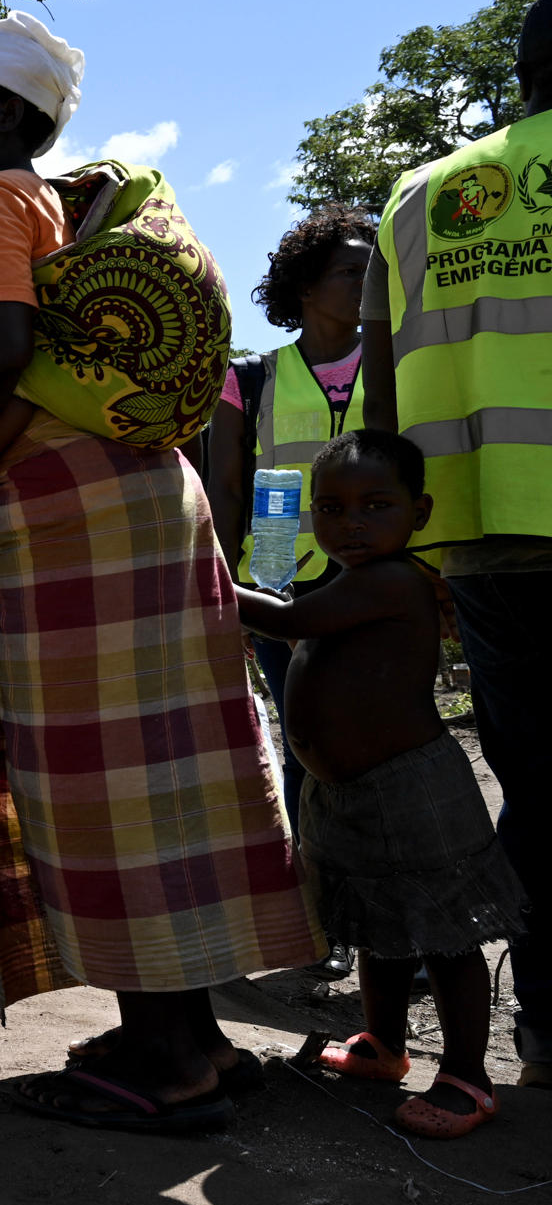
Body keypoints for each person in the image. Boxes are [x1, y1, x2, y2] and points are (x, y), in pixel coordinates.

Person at [0, 12, 321, 1131]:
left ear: (6, 117)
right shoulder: (59, 207)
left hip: (68, 525)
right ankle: (193, 1039)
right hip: (139, 500)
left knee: (102, 785)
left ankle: (167, 1059)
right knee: (166, 771)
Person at [361, 0, 552, 1091]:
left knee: (533, 778)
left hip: (482, 532)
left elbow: (385, 396)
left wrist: (403, 548)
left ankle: (546, 1017)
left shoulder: (420, 193)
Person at [236, 431, 526, 1138]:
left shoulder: (392, 581)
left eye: (375, 506)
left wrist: (205, 574)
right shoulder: (347, 581)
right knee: (376, 927)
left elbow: (287, 622)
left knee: (444, 935)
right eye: (331, 510)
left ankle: (467, 1075)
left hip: (411, 792)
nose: (351, 524)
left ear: (418, 512)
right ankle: (383, 1044)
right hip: (348, 796)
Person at [204, 205, 374, 856]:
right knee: (308, 740)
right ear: (305, 287)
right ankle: (322, 912)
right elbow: (224, 490)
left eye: (373, 271)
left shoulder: (394, 365)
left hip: (371, 577)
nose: (366, 284)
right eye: (349, 272)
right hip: (276, 584)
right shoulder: (249, 379)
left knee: (375, 737)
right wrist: (221, 593)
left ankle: (385, 912)